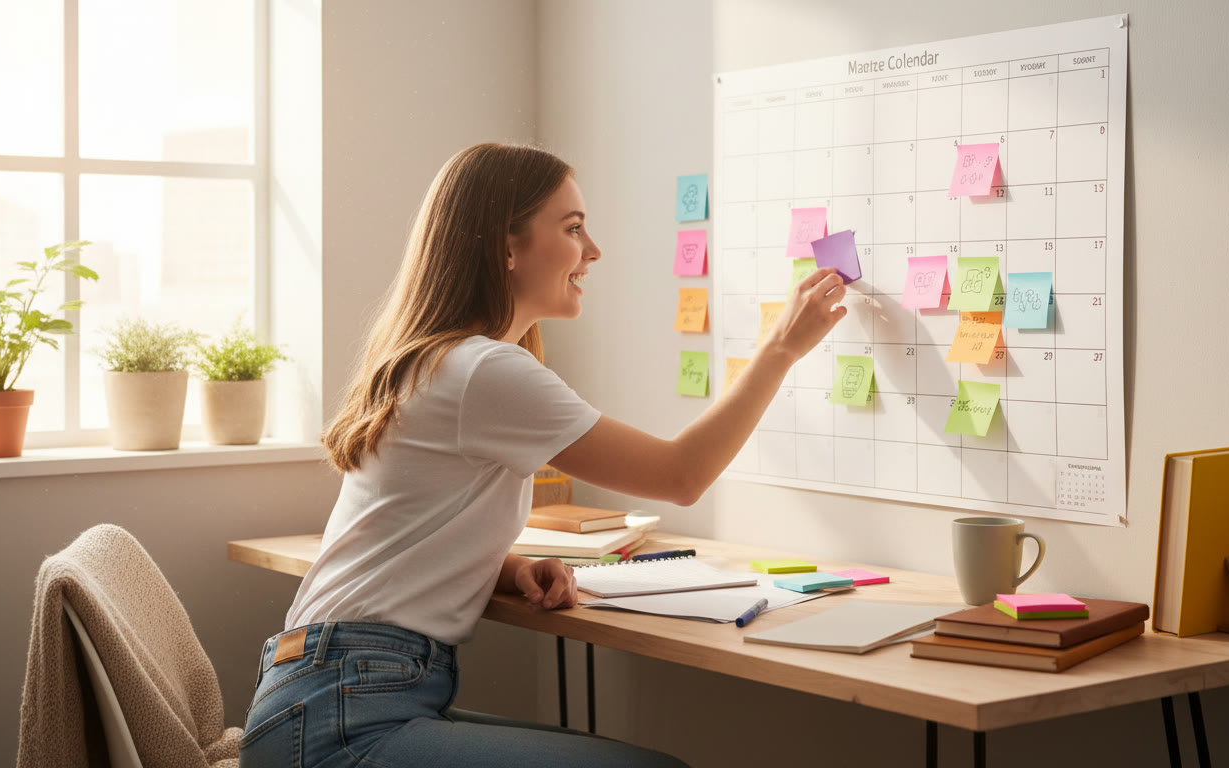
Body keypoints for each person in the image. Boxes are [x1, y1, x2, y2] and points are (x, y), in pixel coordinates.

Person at [239, 143, 846, 767]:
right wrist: (779, 351)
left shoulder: (438, 360)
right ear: (507, 246)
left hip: (323, 696)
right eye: (574, 228)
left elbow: (408, 529)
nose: (593, 251)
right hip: (342, 718)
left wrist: (508, 568)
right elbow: (681, 476)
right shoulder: (484, 369)